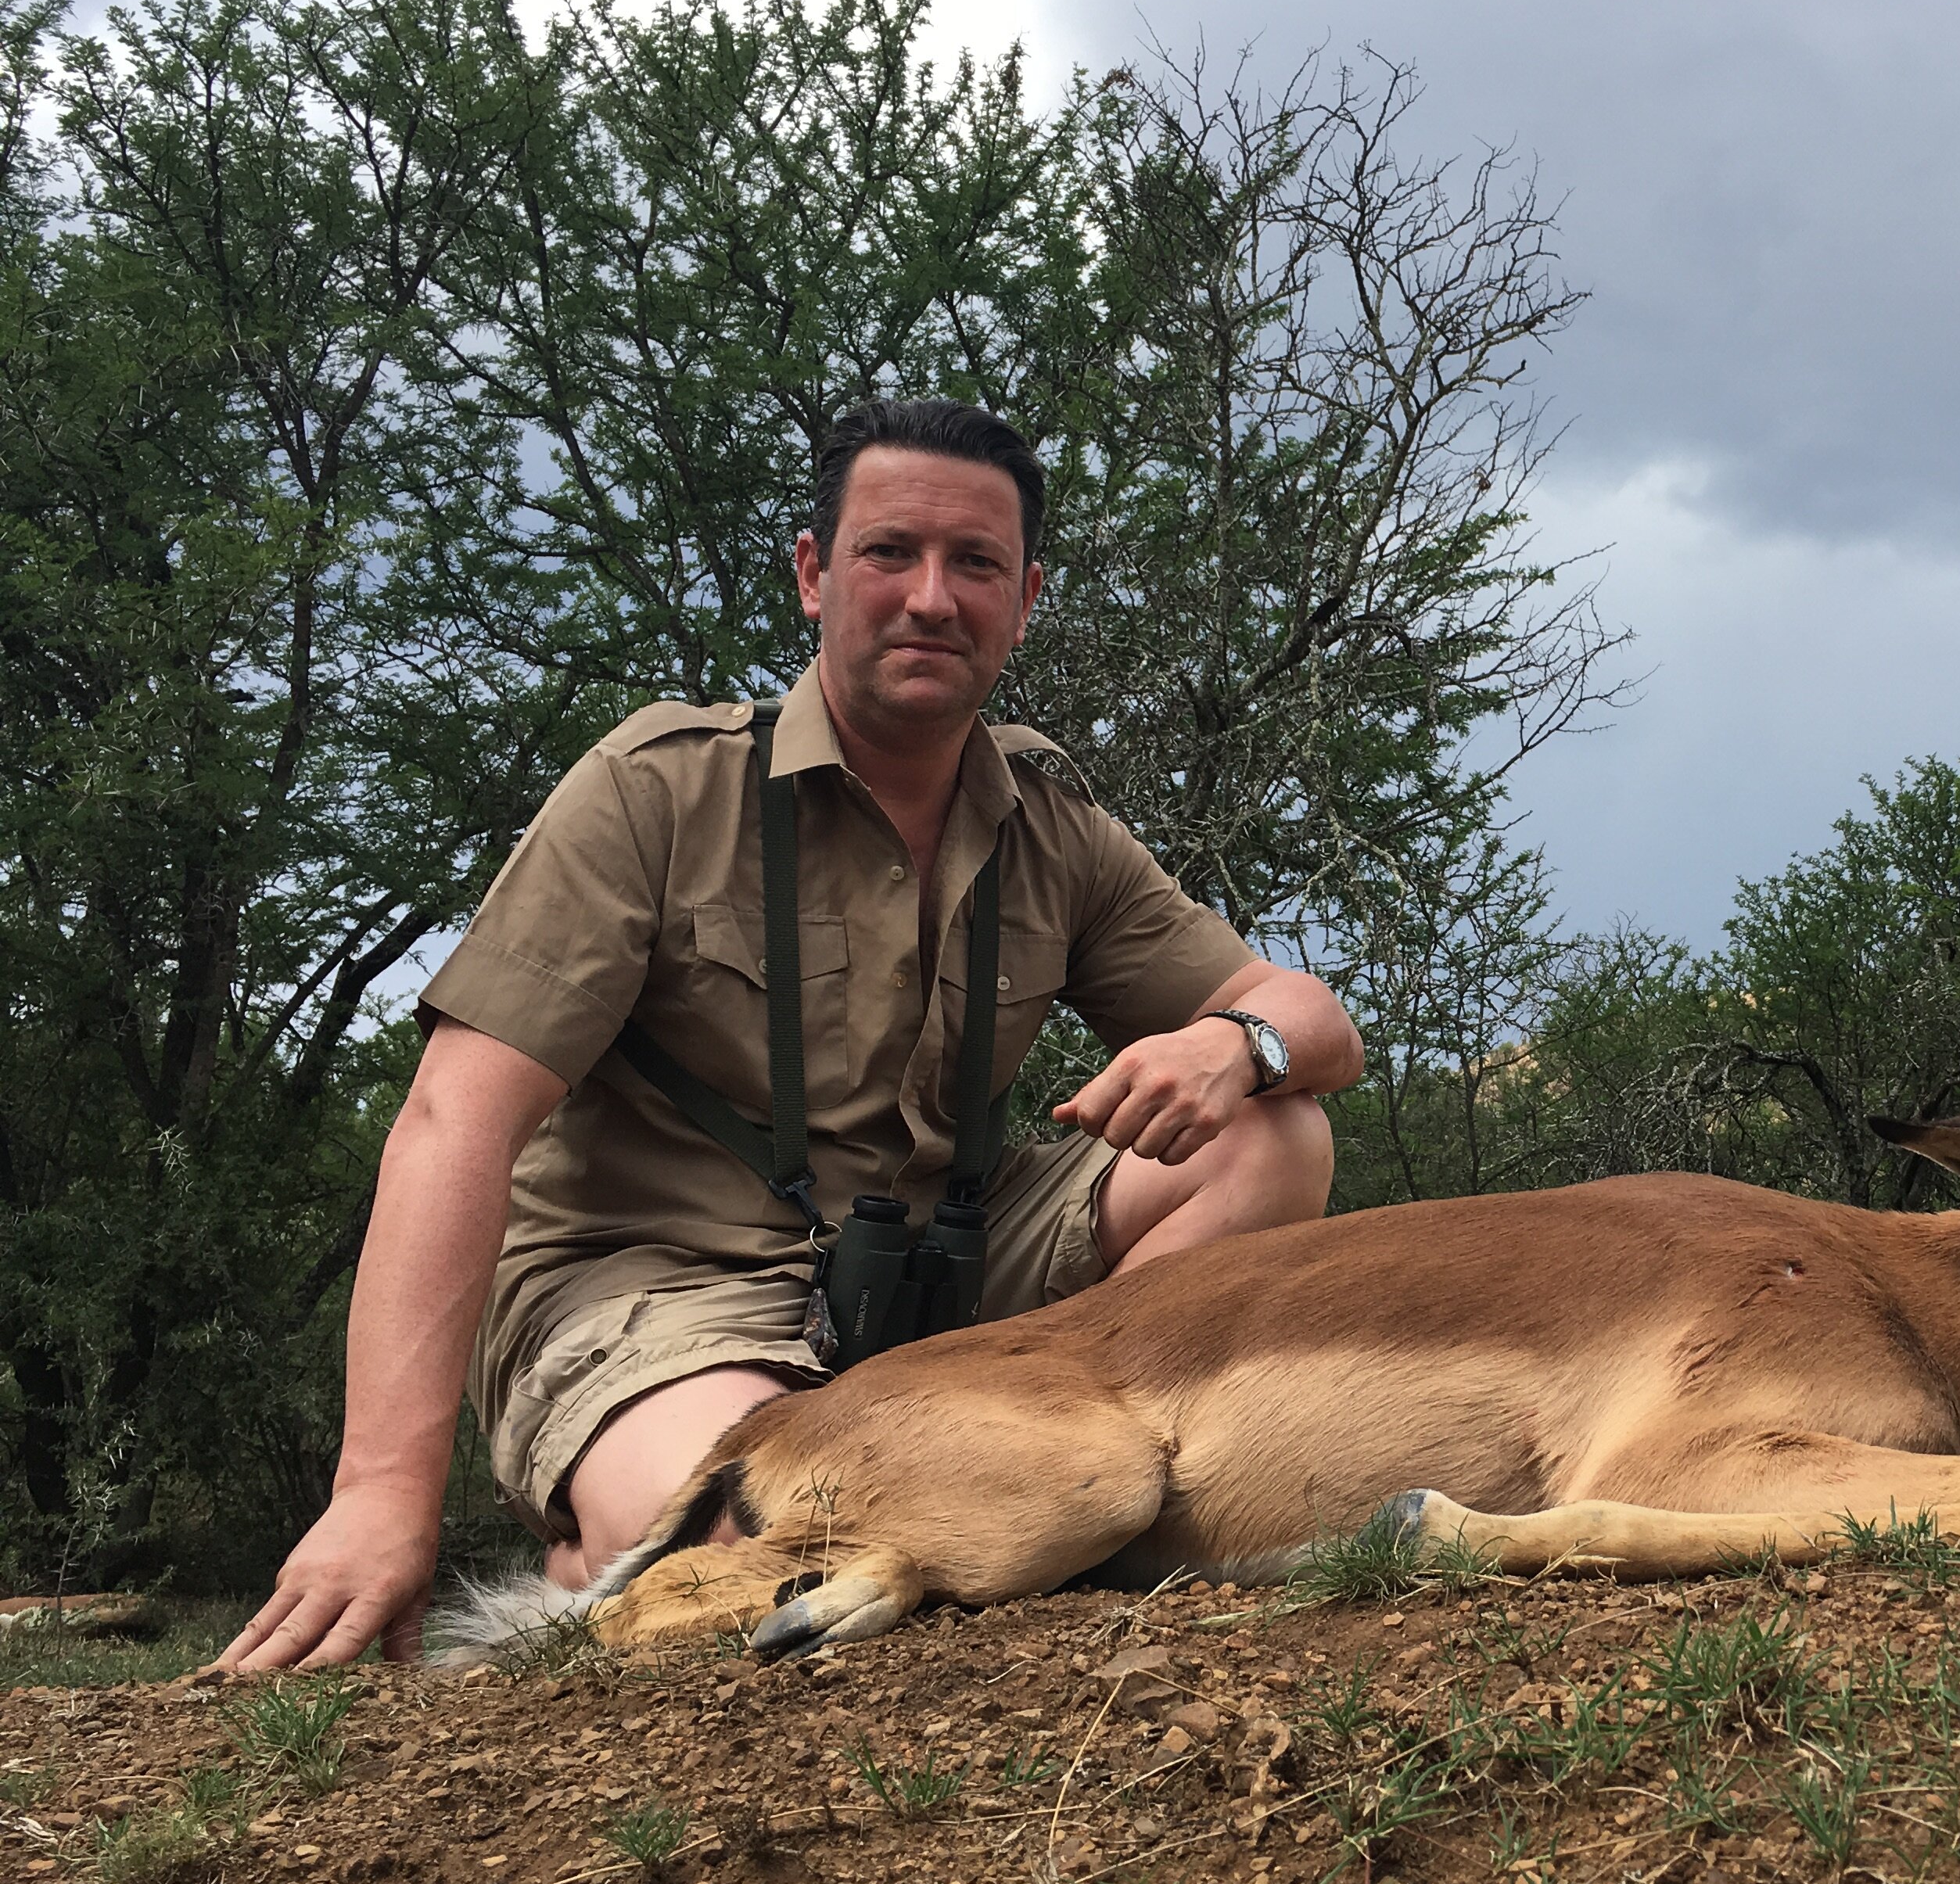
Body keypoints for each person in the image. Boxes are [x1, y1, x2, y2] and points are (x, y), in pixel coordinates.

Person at [219, 399, 1359, 1670]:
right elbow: (452, 1120)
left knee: (1274, 1132)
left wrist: (1236, 1044)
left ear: (1024, 600)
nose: (933, 597)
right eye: (890, 553)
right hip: (660, 1287)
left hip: (941, 1291)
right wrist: (380, 1491)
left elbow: (1315, 1023)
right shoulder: (657, 789)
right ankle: (649, 1513)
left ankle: (1075, 1449)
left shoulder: (1052, 820)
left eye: (975, 564)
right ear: (815, 575)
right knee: (785, 1558)